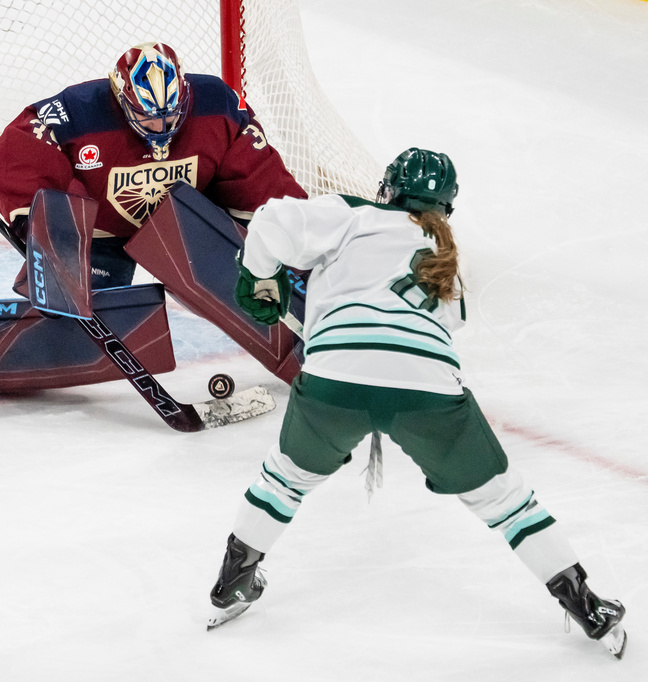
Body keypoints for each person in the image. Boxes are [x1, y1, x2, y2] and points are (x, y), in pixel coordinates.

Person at [206, 148, 628, 658]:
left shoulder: (355, 213)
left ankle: (233, 581)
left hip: (335, 377)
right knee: (506, 500)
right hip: (427, 385)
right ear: (446, 207)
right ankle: (586, 604)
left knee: (285, 480)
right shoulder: (451, 254)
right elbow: (448, 329)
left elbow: (272, 220)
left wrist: (259, 278)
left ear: (388, 188)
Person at [0, 41, 308, 290]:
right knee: (80, 322)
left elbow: (255, 174)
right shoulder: (79, 111)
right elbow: (21, 150)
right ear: (122, 98)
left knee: (252, 285)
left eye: (170, 115)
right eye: (148, 118)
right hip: (100, 230)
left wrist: (292, 237)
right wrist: (33, 217)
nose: (161, 128)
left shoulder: (217, 104)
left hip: (187, 226)